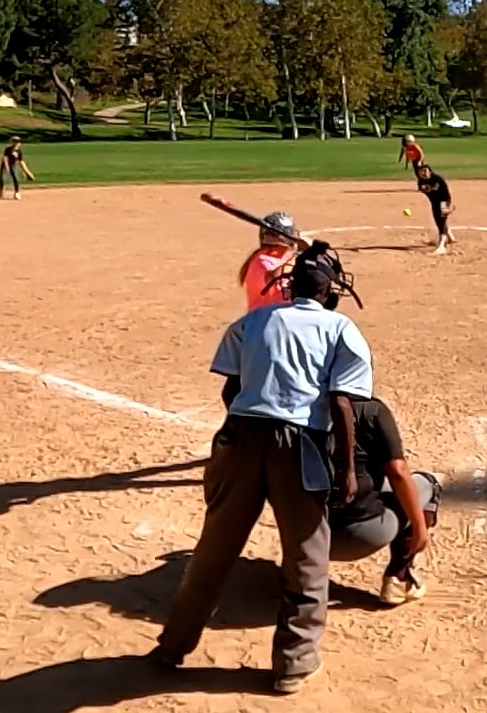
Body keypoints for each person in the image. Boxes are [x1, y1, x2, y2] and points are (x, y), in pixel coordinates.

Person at [148, 242, 373, 693]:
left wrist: (242, 433)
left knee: (214, 548)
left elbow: (231, 390)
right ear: (329, 289)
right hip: (300, 444)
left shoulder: (253, 321)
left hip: (241, 437)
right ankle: (293, 664)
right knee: (306, 559)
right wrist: (345, 468)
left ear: (291, 284)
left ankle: (172, 646)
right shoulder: (340, 328)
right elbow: (341, 403)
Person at [328, 395, 439, 606]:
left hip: (306, 539)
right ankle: (399, 577)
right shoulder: (370, 410)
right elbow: (398, 473)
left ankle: (297, 573)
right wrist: (420, 529)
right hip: (358, 537)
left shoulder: (301, 403)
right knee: (427, 484)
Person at [238, 211, 303, 312]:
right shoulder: (261, 261)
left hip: (287, 317)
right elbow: (272, 277)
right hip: (264, 319)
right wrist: (297, 255)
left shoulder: (291, 257)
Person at [414, 164, 455, 255]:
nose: (423, 173)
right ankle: (449, 236)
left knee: (440, 220)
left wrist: (446, 207)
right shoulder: (421, 182)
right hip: (435, 203)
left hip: (444, 201)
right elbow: (425, 190)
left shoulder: (437, 179)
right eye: (421, 172)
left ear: (430, 171)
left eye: (425, 171)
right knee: (440, 219)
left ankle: (442, 245)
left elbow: (441, 192)